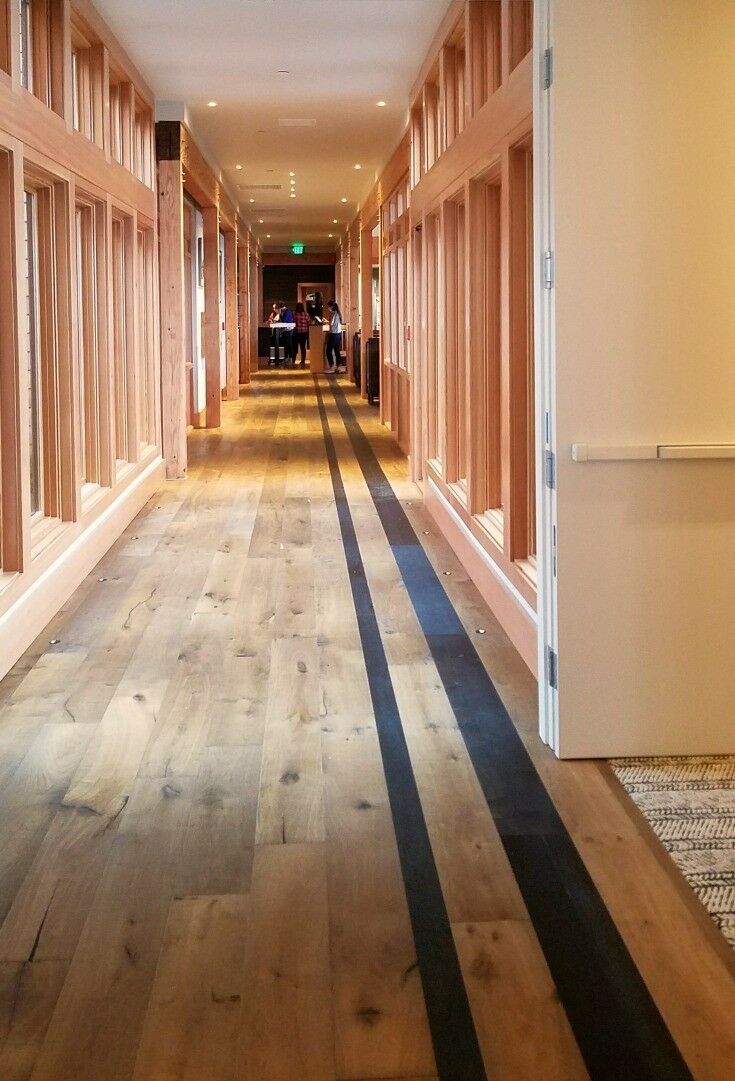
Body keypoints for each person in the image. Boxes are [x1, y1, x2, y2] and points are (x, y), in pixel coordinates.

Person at [324, 300, 344, 374]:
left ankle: (332, 364)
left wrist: (325, 322)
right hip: (338, 334)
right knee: (336, 351)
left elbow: (331, 323)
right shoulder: (338, 313)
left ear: (331, 306)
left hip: (333, 334)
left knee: (328, 350)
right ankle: (338, 366)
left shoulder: (333, 314)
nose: (328, 308)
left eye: (329, 306)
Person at [293, 302, 310, 368]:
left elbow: (293, 322)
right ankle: (303, 360)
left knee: (295, 347)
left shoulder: (294, 314)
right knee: (303, 347)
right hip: (304, 332)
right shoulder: (306, 314)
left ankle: (293, 359)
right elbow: (309, 322)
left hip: (296, 332)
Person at [280, 301, 295, 367]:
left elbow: (284, 320)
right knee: (287, 345)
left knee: (288, 345)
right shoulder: (287, 311)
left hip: (288, 330)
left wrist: (280, 314)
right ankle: (287, 359)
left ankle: (289, 359)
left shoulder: (286, 311)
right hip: (287, 330)